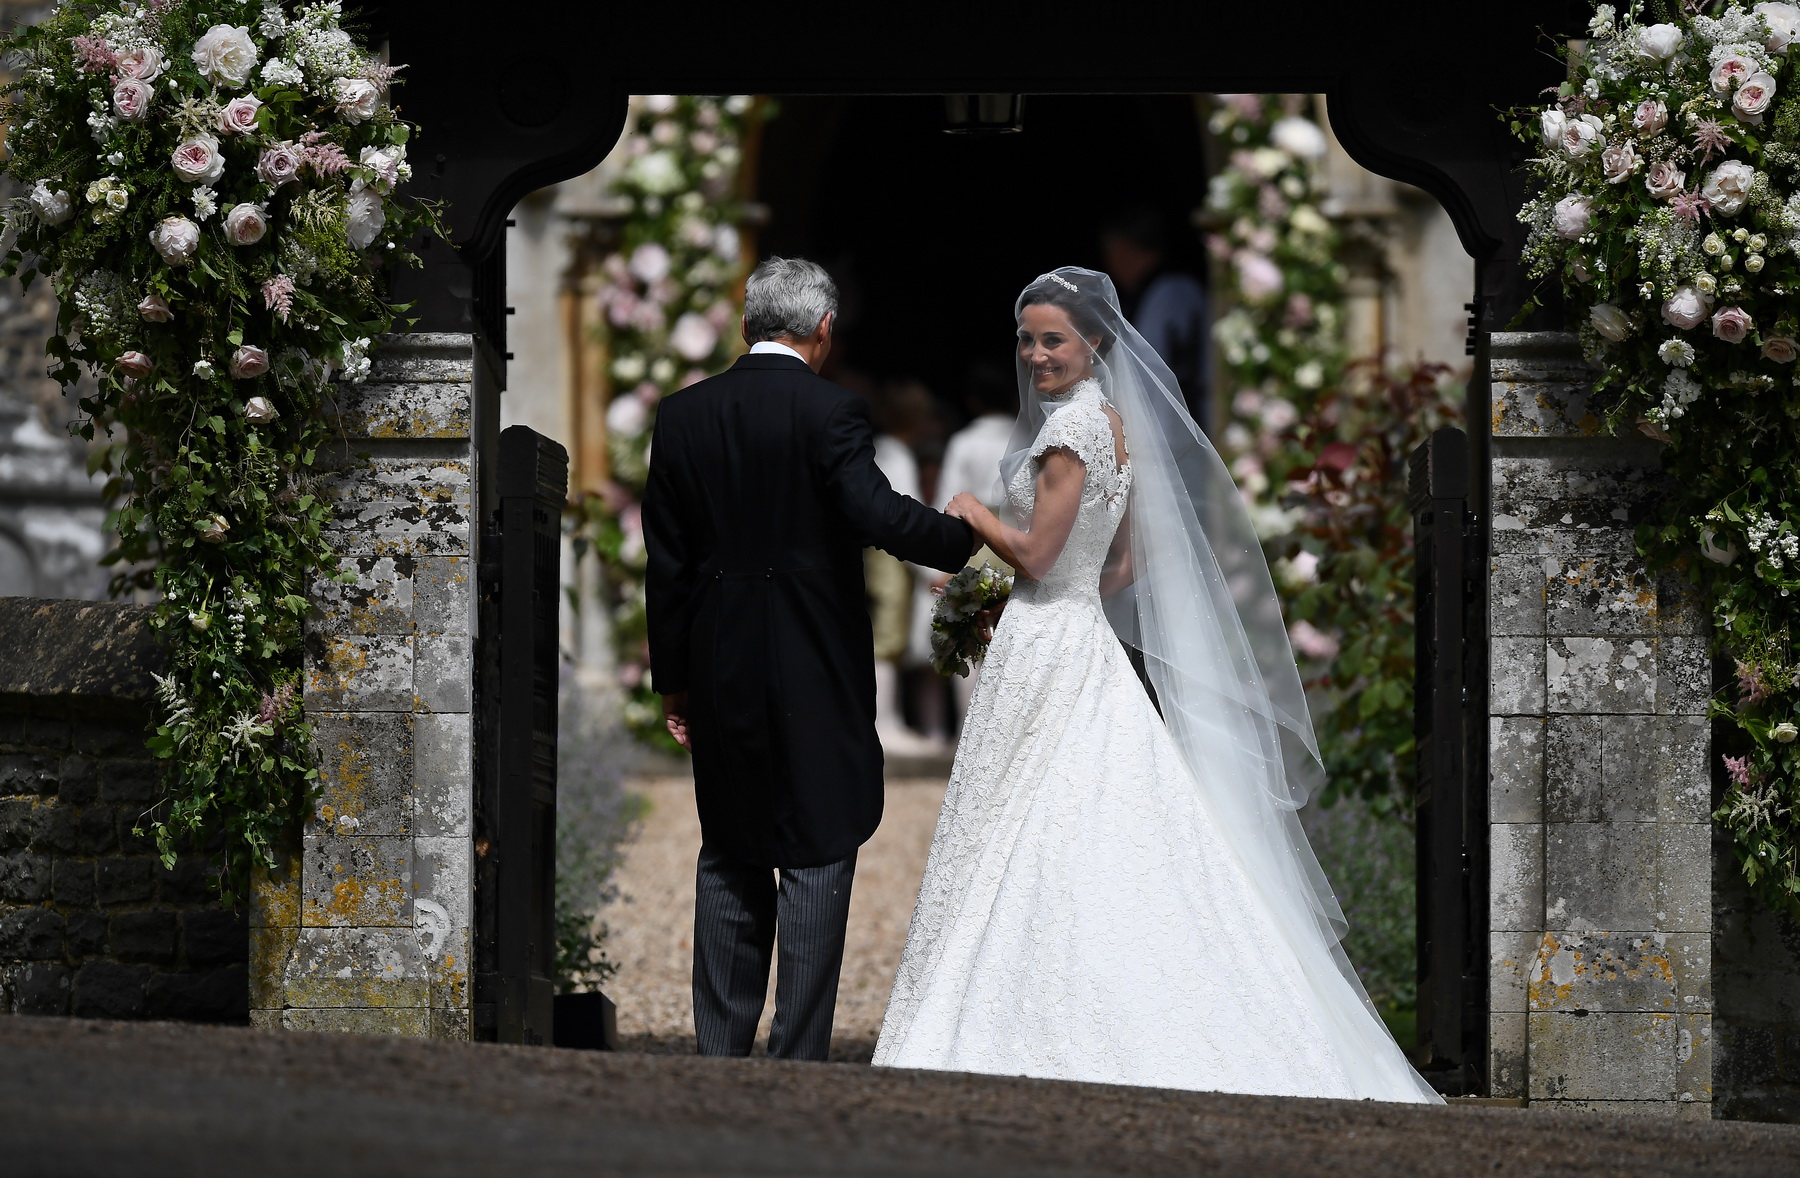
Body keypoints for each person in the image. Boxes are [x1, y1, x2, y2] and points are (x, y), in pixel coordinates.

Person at [871, 267, 1439, 1103]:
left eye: (1053, 339)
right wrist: (1030, 596)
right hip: (1071, 633)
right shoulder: (1115, 426)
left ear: (1095, 340)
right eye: (1027, 339)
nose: (1036, 355)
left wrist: (970, 514)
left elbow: (1036, 552)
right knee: (1072, 809)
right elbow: (1125, 561)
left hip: (1051, 646)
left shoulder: (1072, 434)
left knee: (1031, 812)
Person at [643, 257, 975, 1061]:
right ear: (823, 330)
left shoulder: (684, 415)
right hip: (812, 659)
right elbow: (875, 513)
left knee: (730, 843)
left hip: (719, 661)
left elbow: (669, 560)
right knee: (820, 844)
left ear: (746, 321)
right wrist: (966, 537)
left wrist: (676, 680)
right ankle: (796, 1058)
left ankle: (719, 1052)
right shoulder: (831, 412)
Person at [931, 363, 1019, 718]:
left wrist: (936, 562)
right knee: (1009, 636)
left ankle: (968, 730)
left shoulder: (964, 441)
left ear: (973, 401)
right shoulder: (1024, 434)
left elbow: (947, 500)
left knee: (968, 633)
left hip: (974, 541)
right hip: (1015, 538)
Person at [1099, 206, 1211, 433]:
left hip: (1175, 426)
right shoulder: (1148, 293)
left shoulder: (1171, 292)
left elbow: (1151, 373)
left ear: (1123, 248)